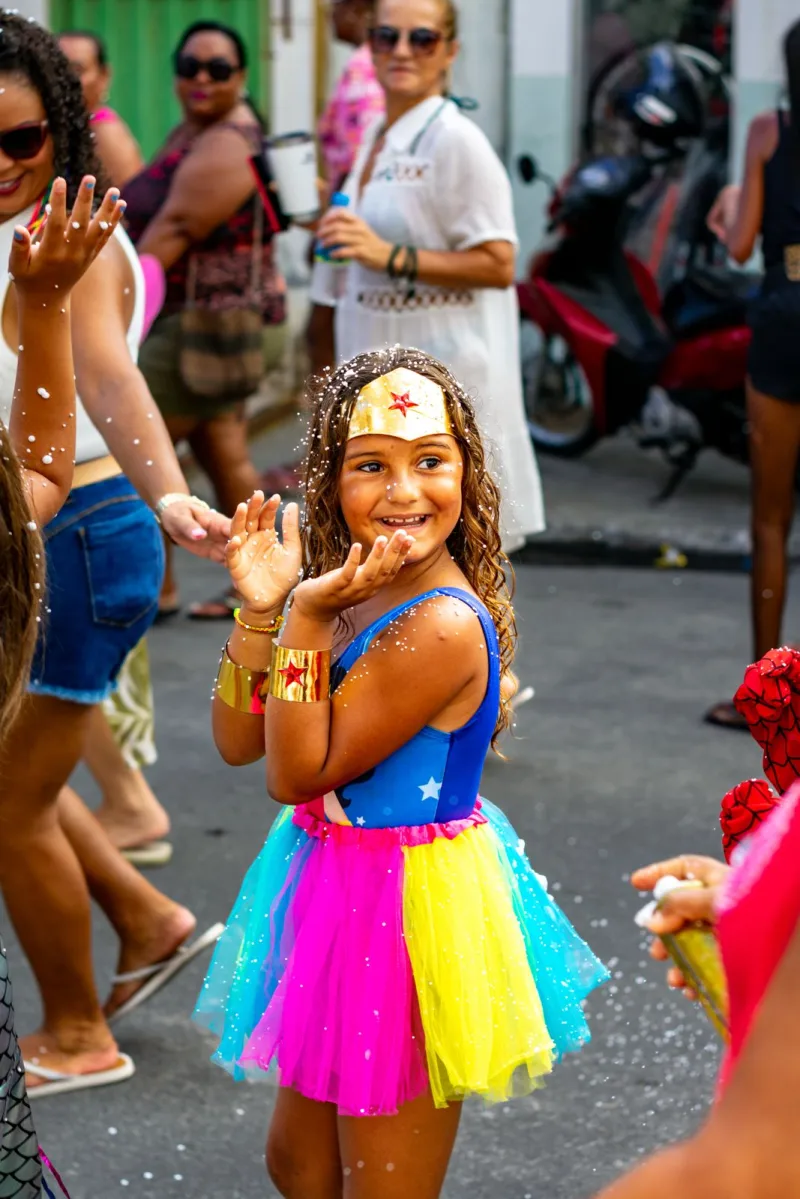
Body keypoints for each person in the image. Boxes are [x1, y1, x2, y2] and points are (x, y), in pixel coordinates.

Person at [193, 345, 607, 1198]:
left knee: (385, 1182)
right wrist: (262, 609)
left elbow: (294, 770)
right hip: (330, 884)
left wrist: (303, 615)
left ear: (467, 470)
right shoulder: (349, 575)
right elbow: (239, 738)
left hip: (409, 917)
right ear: (330, 479)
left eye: (430, 460)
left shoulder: (443, 624)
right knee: (297, 1163)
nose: (403, 491)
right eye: (370, 465)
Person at [0, 12, 228, 1096]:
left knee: (9, 801)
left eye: (21, 140)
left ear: (64, 132)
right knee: (20, 781)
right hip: (41, 534)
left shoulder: (65, 229)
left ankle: (78, 1029)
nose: (3, 164)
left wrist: (170, 491)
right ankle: (147, 918)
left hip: (78, 536)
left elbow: (103, 374)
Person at [311, 0, 544, 553]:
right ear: (369, 43)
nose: (401, 51)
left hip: (443, 385)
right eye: (387, 36)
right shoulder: (377, 134)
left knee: (452, 566)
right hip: (382, 383)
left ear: (449, 51)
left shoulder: (455, 140)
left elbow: (498, 262)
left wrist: (387, 255)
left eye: (422, 38)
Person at [0, 177, 126, 1196]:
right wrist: (40, 306)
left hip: (102, 533)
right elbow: (37, 466)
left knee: (23, 794)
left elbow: (40, 471)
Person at [124, 19, 288, 620]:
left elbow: (175, 230)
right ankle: (261, 579)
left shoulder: (226, 142)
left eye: (218, 69)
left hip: (211, 328)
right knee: (221, 447)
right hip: (219, 327)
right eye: (189, 66)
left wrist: (122, 311)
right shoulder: (196, 132)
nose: (201, 78)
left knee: (137, 449)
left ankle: (157, 589)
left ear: (241, 77)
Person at [705, 18, 800, 730]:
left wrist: (729, 212)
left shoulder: (769, 132)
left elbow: (739, 247)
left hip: (784, 316)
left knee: (770, 518)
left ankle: (765, 699)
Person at [57, 30, 143, 188]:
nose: (66, 79)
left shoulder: (104, 132)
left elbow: (131, 205)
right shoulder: (72, 125)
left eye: (78, 70)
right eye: (58, 69)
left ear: (103, 75)